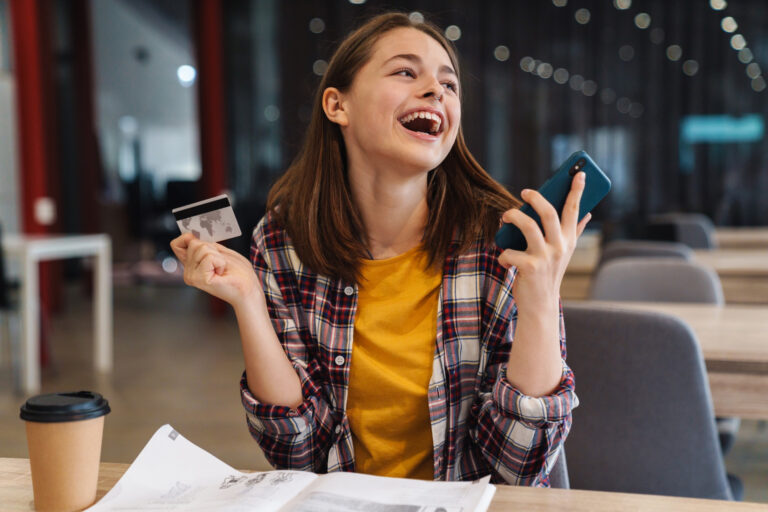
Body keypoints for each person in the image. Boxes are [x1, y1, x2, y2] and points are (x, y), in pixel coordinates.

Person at [170, 12, 590, 485]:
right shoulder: (284, 238)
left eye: (449, 85)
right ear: (337, 105)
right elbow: (296, 451)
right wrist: (248, 301)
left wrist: (540, 301)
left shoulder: (503, 242)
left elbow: (520, 468)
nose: (436, 90)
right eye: (406, 71)